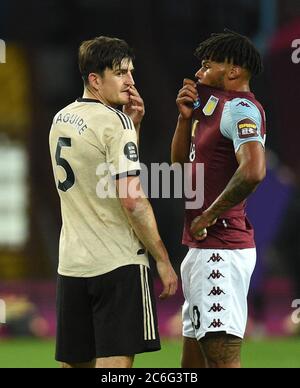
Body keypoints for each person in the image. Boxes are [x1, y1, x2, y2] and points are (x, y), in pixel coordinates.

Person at [49, 36, 177, 368]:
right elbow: (131, 199)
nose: (131, 81)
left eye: (131, 72)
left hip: (72, 265)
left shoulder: (61, 119)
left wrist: (132, 126)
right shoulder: (114, 123)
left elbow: (96, 177)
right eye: (121, 73)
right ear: (95, 79)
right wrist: (161, 258)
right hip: (117, 265)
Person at [171, 30, 266, 368]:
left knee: (222, 361)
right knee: (192, 367)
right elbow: (180, 167)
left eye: (207, 65)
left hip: (221, 250)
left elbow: (254, 170)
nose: (199, 73)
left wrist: (209, 214)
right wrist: (184, 121)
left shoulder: (240, 108)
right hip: (202, 250)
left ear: (233, 71)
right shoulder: (211, 108)